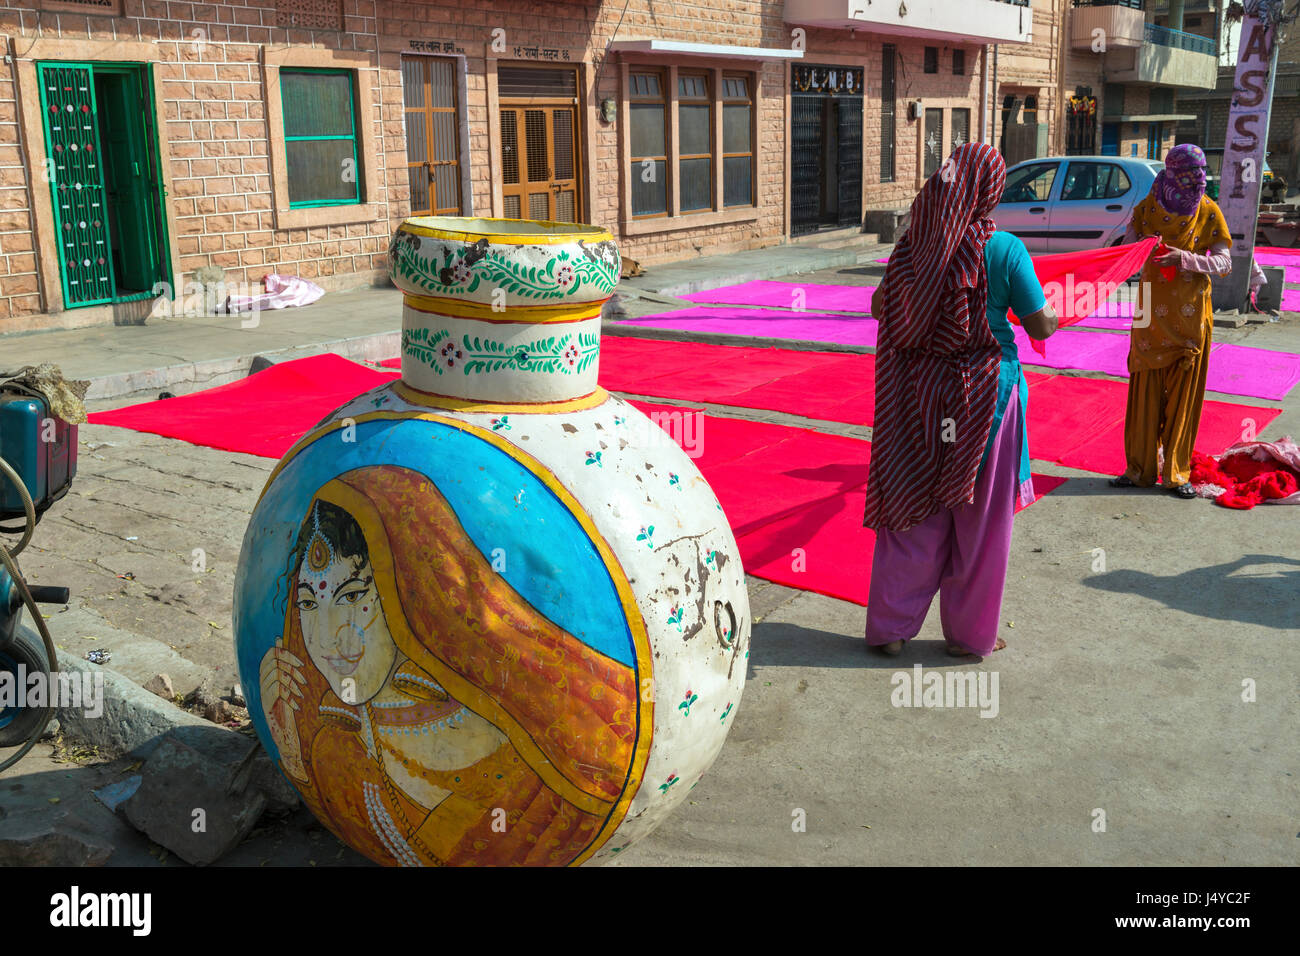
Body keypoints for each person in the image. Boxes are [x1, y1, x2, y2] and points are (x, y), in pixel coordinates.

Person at [258, 465, 640, 866]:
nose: (325, 637)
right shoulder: (338, 742)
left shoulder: (544, 740)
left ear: (414, 592)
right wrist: (291, 750)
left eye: (353, 596)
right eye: (307, 604)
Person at [862, 142, 1058, 660]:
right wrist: (1052, 310)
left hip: (918, 399)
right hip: (984, 401)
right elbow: (1040, 324)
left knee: (914, 507)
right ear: (989, 191)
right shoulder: (1005, 250)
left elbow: (881, 306)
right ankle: (970, 637)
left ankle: (890, 629)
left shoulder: (912, 248)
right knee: (980, 519)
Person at [1109, 144, 1232, 498]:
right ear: (1173, 170)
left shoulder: (1208, 211)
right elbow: (1127, 254)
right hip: (1150, 313)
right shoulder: (1147, 207)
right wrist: (1138, 249)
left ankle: (1177, 473)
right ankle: (1139, 470)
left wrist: (1186, 260)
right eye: (1189, 172)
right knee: (1145, 391)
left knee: (1183, 398)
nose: (1196, 179)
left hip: (1192, 317)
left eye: (1199, 172)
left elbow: (1223, 263)